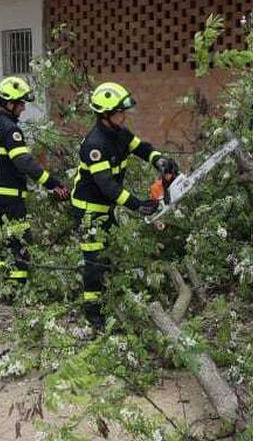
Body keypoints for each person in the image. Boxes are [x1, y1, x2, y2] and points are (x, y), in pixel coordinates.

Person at [69, 81, 177, 329]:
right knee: (94, 260)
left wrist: (160, 161)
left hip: (105, 208)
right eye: (120, 111)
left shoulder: (121, 134)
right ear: (105, 115)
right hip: (87, 211)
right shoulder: (94, 145)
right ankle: (93, 315)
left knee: (110, 254)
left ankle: (110, 301)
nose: (124, 115)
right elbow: (107, 185)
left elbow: (143, 149)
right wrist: (138, 204)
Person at [0, 76, 68, 293]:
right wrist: (52, 183)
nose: (24, 108)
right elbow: (24, 162)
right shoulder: (10, 130)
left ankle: (5, 282)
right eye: (21, 103)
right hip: (7, 196)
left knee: (8, 237)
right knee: (21, 240)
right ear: (9, 103)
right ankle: (17, 289)